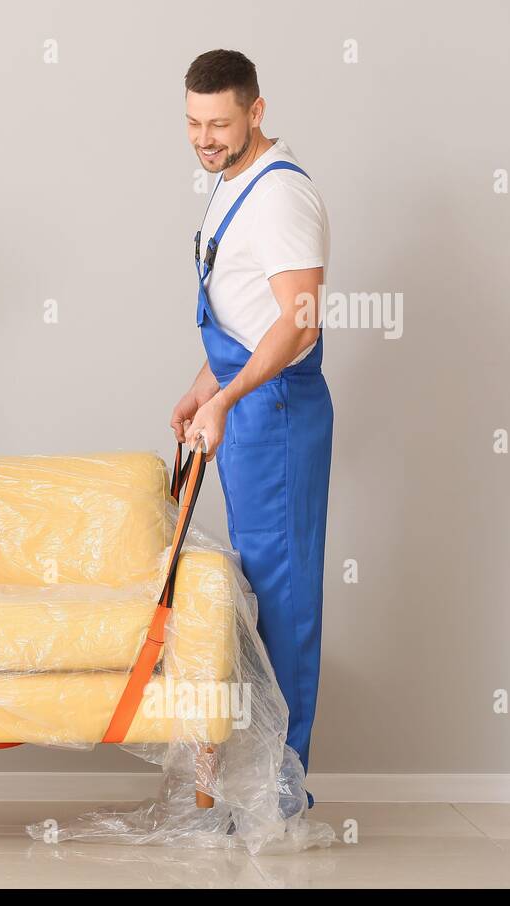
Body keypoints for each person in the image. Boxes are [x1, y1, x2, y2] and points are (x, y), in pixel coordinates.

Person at [172, 49, 334, 812]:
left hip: (275, 409)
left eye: (220, 123)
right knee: (258, 590)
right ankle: (257, 779)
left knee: (283, 592)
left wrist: (230, 395)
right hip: (245, 402)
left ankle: (281, 789)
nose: (205, 138)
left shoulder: (281, 194)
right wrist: (204, 386)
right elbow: (244, 309)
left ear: (256, 112)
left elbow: (299, 321)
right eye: (194, 123)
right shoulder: (232, 180)